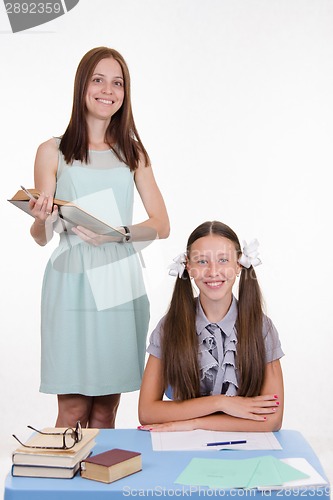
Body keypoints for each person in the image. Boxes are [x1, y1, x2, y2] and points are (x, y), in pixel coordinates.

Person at [28, 46, 170, 429]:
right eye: (98, 79)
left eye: (118, 82)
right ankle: (61, 487)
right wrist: (41, 218)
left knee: (106, 411)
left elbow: (162, 223)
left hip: (118, 279)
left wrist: (119, 234)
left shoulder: (133, 154)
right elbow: (41, 236)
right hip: (70, 279)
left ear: (125, 93)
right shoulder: (52, 151)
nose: (108, 90)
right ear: (82, 86)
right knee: (72, 410)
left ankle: (96, 487)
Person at [138, 220, 284, 432]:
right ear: (188, 267)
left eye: (223, 260)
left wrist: (195, 424)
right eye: (202, 262)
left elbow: (272, 420)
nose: (213, 271)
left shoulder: (261, 328)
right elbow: (147, 412)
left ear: (239, 266)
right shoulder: (169, 327)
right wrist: (221, 402)